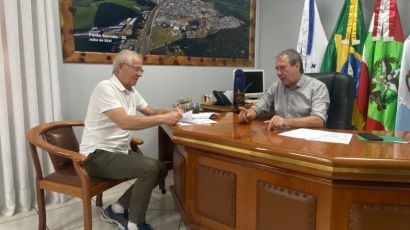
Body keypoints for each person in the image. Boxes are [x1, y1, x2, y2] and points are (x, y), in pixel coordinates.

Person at [79, 49, 183, 230]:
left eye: (141, 70)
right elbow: (125, 122)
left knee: (160, 167)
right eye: (137, 69)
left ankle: (116, 209)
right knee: (150, 169)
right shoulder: (105, 88)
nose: (140, 74)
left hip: (118, 152)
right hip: (96, 156)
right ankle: (135, 224)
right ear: (121, 67)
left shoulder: (131, 91)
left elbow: (151, 111)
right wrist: (164, 119)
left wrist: (171, 111)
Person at [239, 48, 330, 130]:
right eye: (277, 69)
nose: (278, 73)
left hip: (306, 142)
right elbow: (259, 107)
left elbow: (318, 120)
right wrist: (248, 114)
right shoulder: (276, 87)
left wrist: (286, 122)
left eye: (282, 68)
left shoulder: (318, 87)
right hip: (280, 139)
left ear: (297, 66)